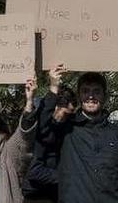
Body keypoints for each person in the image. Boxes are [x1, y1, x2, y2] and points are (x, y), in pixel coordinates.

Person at [52, 70, 118, 203]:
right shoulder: (65, 130)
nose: (91, 96)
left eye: (96, 91)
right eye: (86, 91)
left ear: (105, 96)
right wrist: (53, 87)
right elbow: (43, 130)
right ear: (79, 96)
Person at [23, 64, 77, 203]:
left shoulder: (65, 130)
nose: (66, 119)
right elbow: (34, 172)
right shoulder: (40, 131)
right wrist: (68, 177)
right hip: (37, 195)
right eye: (64, 114)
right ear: (56, 107)